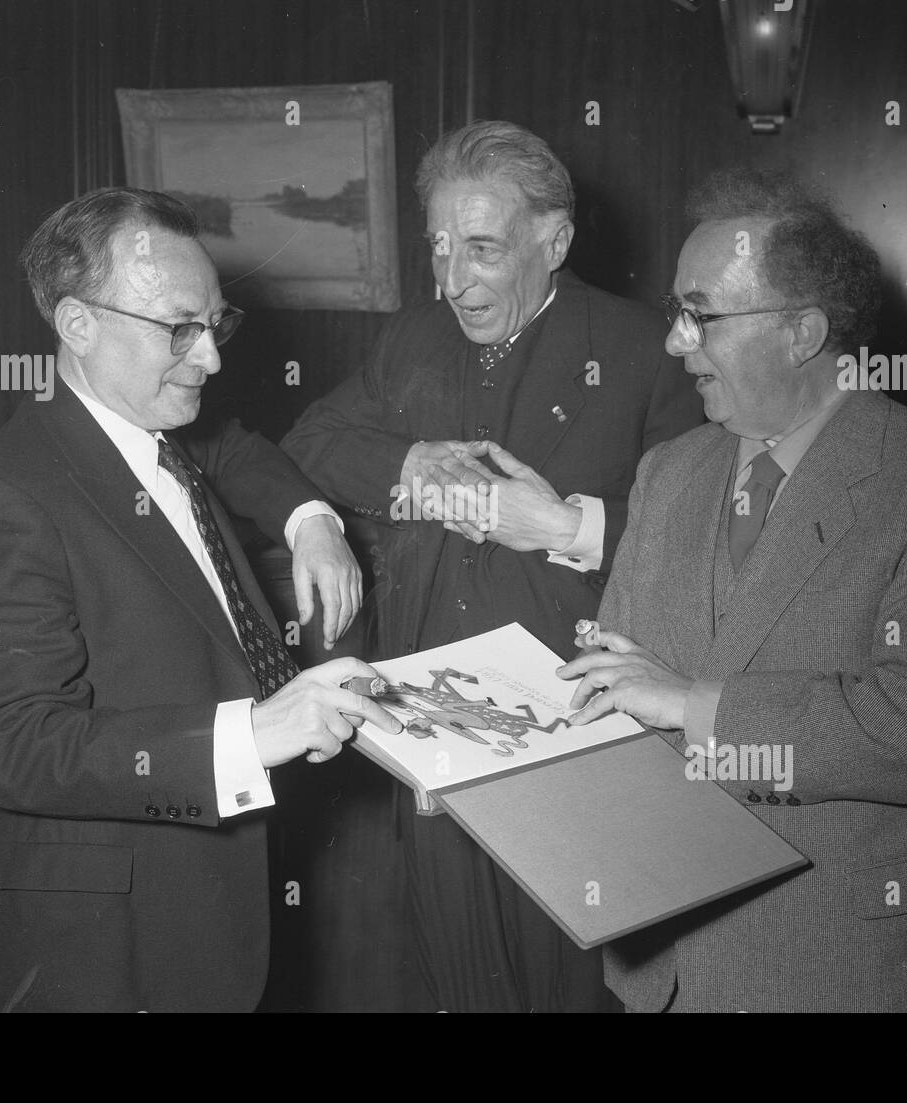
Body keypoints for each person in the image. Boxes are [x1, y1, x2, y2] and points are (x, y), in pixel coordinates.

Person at [0, 187, 401, 1012]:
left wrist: (311, 519)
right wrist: (254, 733)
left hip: (213, 899)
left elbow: (239, 448)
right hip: (115, 948)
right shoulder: (12, 498)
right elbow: (7, 744)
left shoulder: (158, 425)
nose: (210, 357)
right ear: (78, 325)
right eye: (180, 328)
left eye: (217, 324)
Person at [557, 169, 907, 1012]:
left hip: (838, 958)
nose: (673, 342)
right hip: (664, 961)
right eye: (674, 313)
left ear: (803, 332)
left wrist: (694, 704)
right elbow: (614, 676)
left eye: (700, 314)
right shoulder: (669, 471)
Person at [282, 120, 702, 1012]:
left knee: (570, 984)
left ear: (555, 241)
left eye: (481, 249)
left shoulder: (644, 348)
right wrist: (405, 469)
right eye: (439, 247)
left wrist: (559, 522)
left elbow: (709, 542)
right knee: (457, 980)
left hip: (576, 733)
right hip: (431, 728)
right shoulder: (414, 338)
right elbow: (313, 438)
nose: (452, 280)